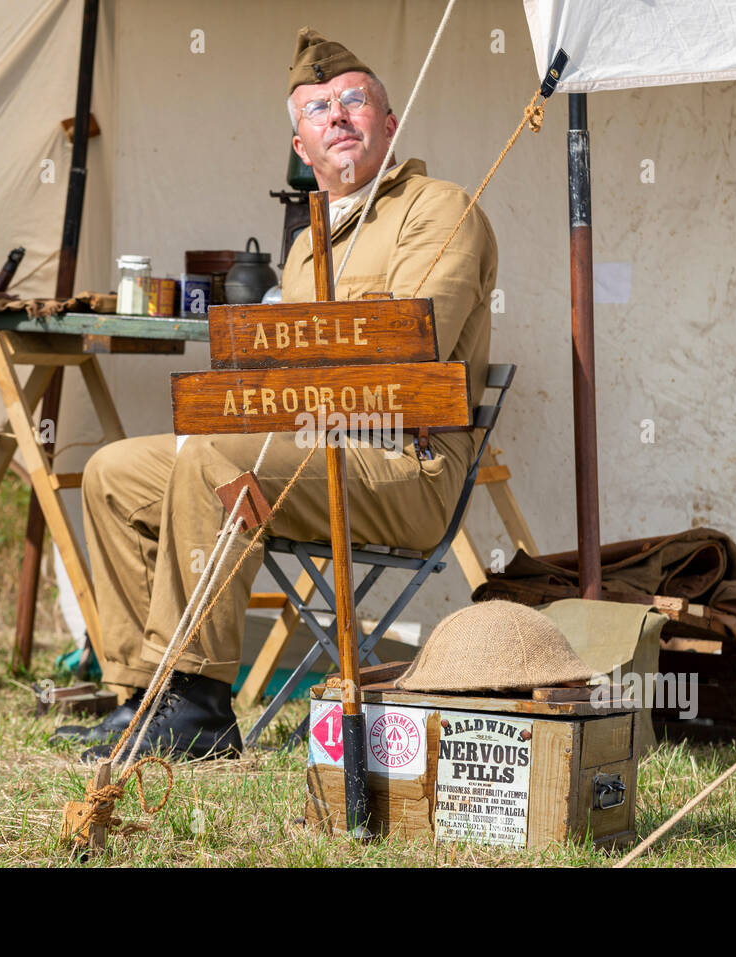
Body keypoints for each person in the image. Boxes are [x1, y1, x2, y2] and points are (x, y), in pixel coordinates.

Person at [55, 26, 498, 763]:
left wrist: (297, 364)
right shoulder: (304, 244)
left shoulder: (439, 208)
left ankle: (199, 705)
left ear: (390, 124)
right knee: (113, 473)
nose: (340, 116)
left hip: (404, 466)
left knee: (210, 460)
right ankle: (146, 694)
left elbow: (414, 343)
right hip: (310, 453)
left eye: (355, 101)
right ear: (302, 149)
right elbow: (293, 377)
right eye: (318, 111)